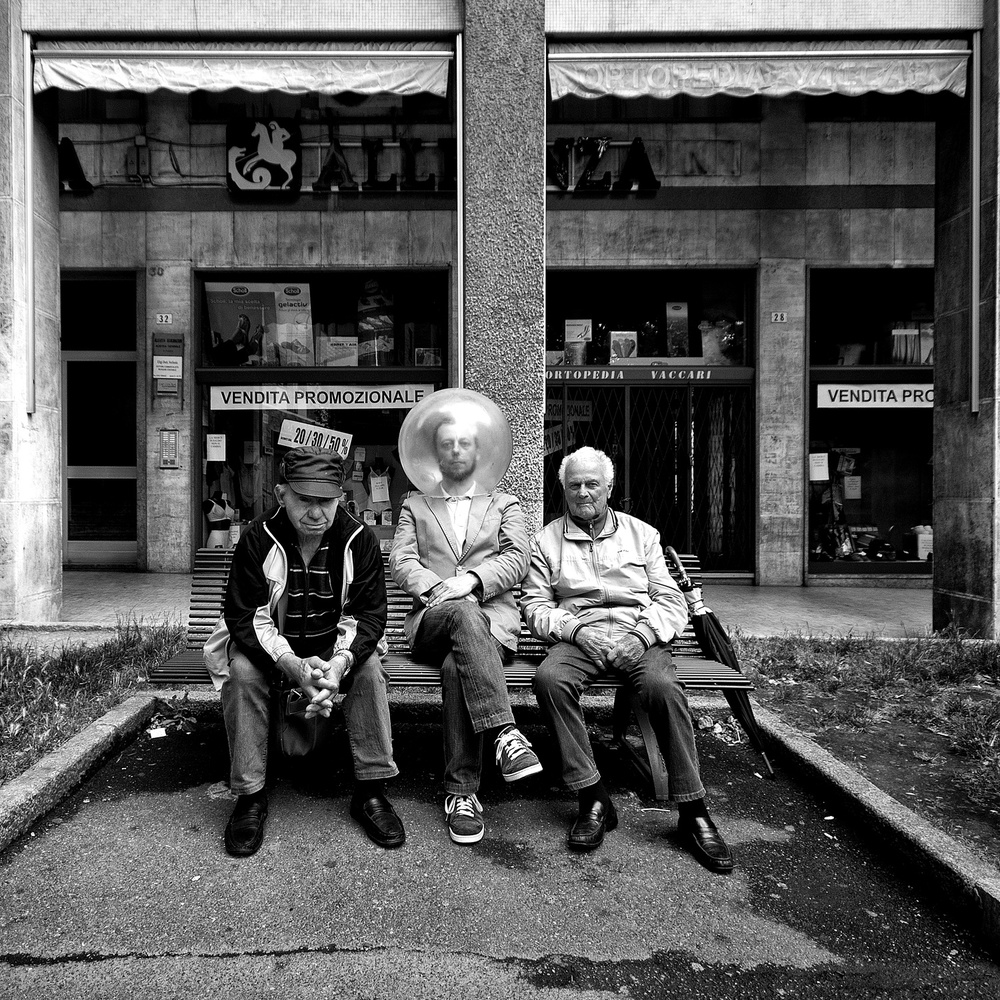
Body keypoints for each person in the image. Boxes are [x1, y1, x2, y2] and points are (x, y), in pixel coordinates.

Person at [520, 446, 734, 873]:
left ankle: (693, 811)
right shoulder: (545, 541)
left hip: (639, 634)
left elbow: (671, 600)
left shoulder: (642, 534)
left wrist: (642, 636)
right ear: (563, 489)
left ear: (609, 487)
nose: (583, 493)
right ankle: (593, 797)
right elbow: (535, 605)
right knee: (549, 679)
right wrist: (576, 631)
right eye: (574, 485)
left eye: (592, 484)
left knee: (661, 686)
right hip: (580, 637)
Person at [204, 446, 404, 857]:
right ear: (282, 495)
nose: (316, 513)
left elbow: (368, 616)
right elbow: (246, 617)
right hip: (272, 647)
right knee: (243, 672)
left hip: (334, 647)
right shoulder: (258, 538)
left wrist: (338, 664)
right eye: (304, 500)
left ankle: (371, 790)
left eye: (325, 501)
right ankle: (249, 795)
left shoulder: (359, 540)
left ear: (340, 498)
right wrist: (292, 664)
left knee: (368, 670)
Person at [390, 412, 542, 844]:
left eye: (464, 443)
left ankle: (461, 794)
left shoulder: (505, 504)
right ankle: (505, 734)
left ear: (479, 450)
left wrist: (472, 581)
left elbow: (518, 558)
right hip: (433, 619)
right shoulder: (414, 504)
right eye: (447, 443)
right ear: (435, 453)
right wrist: (443, 590)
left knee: (458, 666)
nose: (456, 450)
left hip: (492, 626)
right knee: (460, 613)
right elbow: (401, 559)